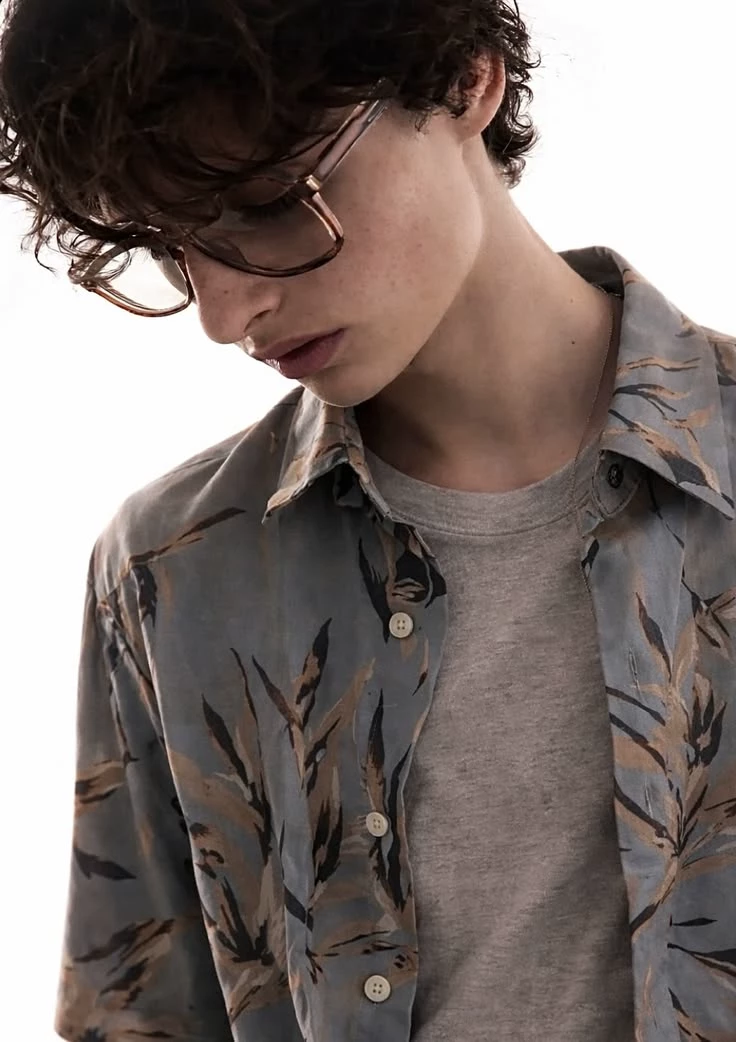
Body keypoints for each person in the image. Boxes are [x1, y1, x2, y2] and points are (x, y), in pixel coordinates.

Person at [1, 1, 735, 1040]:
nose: (223, 315)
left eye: (270, 204)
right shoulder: (171, 568)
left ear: (466, 79)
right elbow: (140, 1020)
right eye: (173, 249)